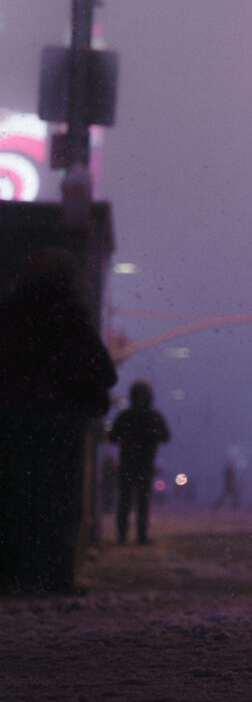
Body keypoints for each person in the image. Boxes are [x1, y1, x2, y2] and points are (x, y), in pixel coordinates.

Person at [0, 248, 116, 595]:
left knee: (15, 497)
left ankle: (13, 573)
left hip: (12, 420)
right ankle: (54, 576)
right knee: (59, 501)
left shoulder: (9, 313)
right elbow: (103, 371)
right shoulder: (69, 316)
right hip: (61, 423)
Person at [109, 380, 170, 545]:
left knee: (125, 500)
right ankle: (141, 535)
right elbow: (166, 436)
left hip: (127, 463)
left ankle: (122, 536)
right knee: (143, 501)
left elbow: (112, 437)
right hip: (146, 464)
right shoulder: (155, 416)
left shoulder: (125, 416)